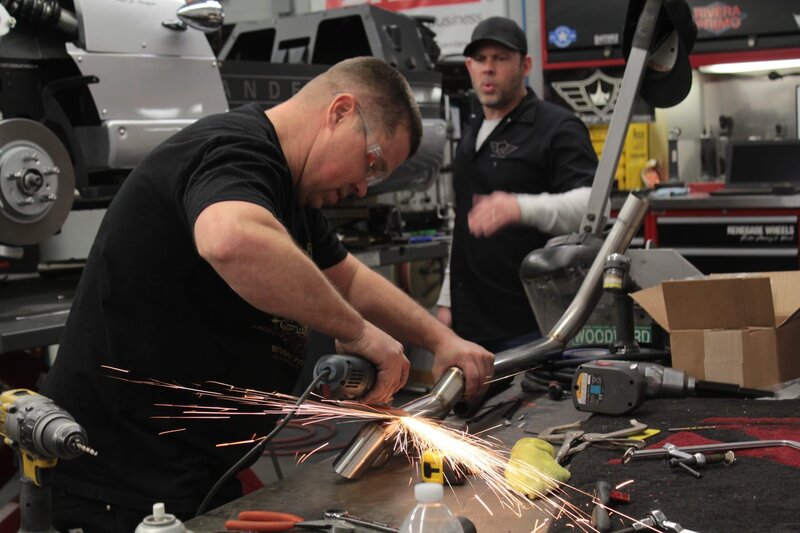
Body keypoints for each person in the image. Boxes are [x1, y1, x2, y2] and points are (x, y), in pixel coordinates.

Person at [42, 56, 494, 531]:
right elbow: (230, 239)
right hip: (120, 477)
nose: (363, 187)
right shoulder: (233, 150)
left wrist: (442, 341)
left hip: (193, 469)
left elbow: (350, 279)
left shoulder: (287, 190)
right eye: (373, 165)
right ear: (340, 112)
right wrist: (358, 333)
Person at [436, 18, 598, 356]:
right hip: (470, 324)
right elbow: (464, 224)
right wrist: (447, 300)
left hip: (532, 326)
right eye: (480, 60)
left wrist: (520, 208)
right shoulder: (473, 130)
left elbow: (594, 207)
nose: (488, 69)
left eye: (500, 58)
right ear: (469, 67)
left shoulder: (557, 127)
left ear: (525, 65)